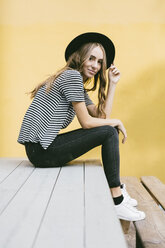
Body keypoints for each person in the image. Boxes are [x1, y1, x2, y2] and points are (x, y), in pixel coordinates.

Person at [17, 32, 145, 221]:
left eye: (100, 61)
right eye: (91, 58)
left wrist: (113, 84)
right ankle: (117, 199)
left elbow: (101, 117)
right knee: (110, 131)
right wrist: (117, 122)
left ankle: (117, 191)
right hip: (41, 152)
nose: (95, 65)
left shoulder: (73, 81)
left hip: (39, 151)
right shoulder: (71, 77)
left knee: (108, 129)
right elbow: (88, 124)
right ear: (79, 57)